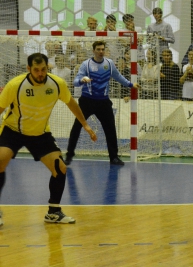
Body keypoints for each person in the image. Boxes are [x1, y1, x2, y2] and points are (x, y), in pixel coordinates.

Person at [0, 53, 97, 226]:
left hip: (40, 132)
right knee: (0, 160)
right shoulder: (15, 85)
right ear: (29, 69)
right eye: (36, 70)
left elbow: (71, 103)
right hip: (13, 130)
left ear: (48, 68)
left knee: (60, 167)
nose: (40, 74)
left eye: (43, 69)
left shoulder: (57, 84)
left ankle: (53, 212)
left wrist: (86, 125)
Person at [64, 41, 139, 166]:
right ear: (93, 51)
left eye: (102, 49)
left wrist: (131, 85)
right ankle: (69, 155)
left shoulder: (109, 63)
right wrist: (82, 80)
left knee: (110, 129)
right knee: (76, 127)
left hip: (103, 102)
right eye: (98, 49)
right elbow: (75, 82)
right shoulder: (86, 64)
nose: (101, 51)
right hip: (86, 101)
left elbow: (118, 76)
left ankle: (114, 157)